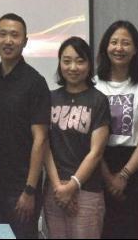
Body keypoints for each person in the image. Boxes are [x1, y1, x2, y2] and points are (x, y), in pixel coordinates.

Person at [0, 13, 50, 239]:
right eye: (2, 34)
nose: (8, 41)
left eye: (14, 35)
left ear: (25, 41)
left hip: (21, 188)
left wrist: (30, 190)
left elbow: (40, 139)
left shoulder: (35, 82)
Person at [44, 36, 110, 239]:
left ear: (89, 65)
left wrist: (72, 186)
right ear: (60, 63)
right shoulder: (50, 98)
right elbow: (44, 146)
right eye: (67, 61)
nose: (73, 67)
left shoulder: (98, 100)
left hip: (87, 190)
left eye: (80, 61)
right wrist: (59, 187)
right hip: (54, 190)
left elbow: (96, 152)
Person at [95, 21, 138, 239]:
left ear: (135, 49)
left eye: (126, 43)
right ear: (105, 47)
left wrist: (124, 175)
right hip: (99, 163)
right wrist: (108, 178)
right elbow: (90, 141)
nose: (119, 48)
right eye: (114, 42)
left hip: (135, 166)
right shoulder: (94, 84)